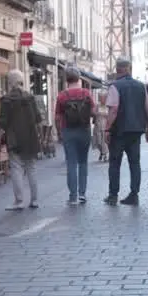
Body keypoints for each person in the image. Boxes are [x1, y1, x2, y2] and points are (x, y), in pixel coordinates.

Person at [104, 58, 148, 206]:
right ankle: (134, 194)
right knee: (134, 163)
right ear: (129, 69)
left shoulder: (115, 86)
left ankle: (113, 195)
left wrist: (107, 128)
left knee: (114, 163)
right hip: (136, 131)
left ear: (117, 69)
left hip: (119, 131)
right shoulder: (141, 86)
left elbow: (113, 110)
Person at [0, 69, 42, 210]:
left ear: (10, 82)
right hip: (30, 137)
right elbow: (38, 119)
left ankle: (19, 201)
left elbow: (3, 123)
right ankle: (34, 200)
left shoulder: (6, 100)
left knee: (16, 169)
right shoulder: (30, 98)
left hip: (14, 138)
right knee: (32, 168)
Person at [54, 67, 97, 205]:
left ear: (66, 80)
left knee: (71, 163)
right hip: (84, 130)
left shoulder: (62, 96)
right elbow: (94, 111)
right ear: (79, 79)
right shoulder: (86, 93)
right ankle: (82, 194)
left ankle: (73, 196)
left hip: (68, 131)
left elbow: (57, 117)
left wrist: (59, 132)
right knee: (83, 163)